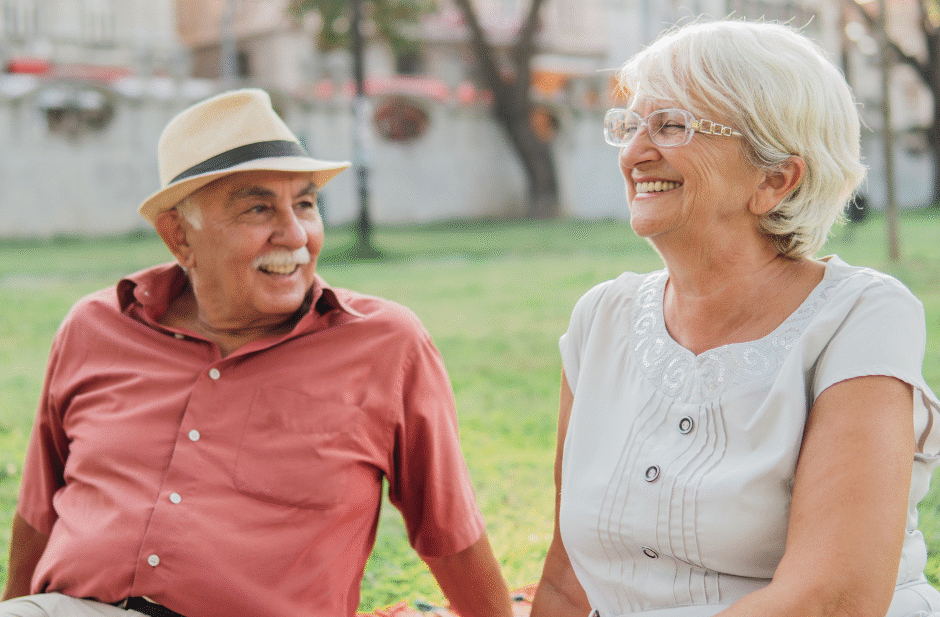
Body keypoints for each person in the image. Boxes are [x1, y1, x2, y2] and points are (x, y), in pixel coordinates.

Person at [1, 88, 513, 617]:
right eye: (258, 208)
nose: (294, 234)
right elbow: (39, 511)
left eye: (306, 205)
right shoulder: (96, 327)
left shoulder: (384, 344)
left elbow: (448, 530)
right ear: (179, 235)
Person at [531, 19, 940, 617]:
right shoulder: (603, 318)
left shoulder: (861, 314)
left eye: (672, 125)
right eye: (630, 125)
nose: (636, 152)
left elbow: (833, 599)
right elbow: (568, 582)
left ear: (774, 180)